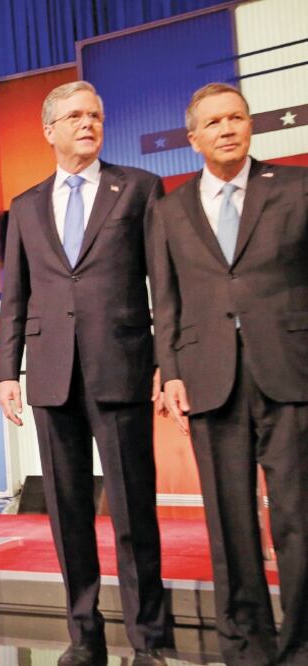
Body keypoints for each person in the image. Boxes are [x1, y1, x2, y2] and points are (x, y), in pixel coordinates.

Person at [0, 81, 166, 666]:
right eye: (74, 116)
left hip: (121, 366)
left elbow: (162, 283)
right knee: (68, 515)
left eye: (95, 114)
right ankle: (83, 634)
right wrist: (7, 371)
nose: (88, 123)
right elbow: (14, 296)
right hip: (49, 373)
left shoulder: (140, 188)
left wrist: (165, 360)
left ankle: (148, 640)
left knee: (132, 510)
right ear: (49, 130)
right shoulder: (24, 205)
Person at [153, 82, 308, 665]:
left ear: (250, 126)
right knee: (229, 522)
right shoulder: (169, 209)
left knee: (300, 517)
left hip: (290, 371)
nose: (227, 128)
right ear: (193, 138)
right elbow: (164, 301)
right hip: (208, 377)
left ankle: (302, 646)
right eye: (213, 122)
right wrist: (169, 370)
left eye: (236, 118)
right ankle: (247, 647)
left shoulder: (296, 186)